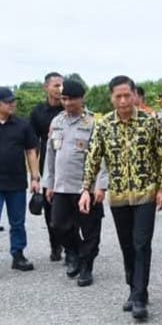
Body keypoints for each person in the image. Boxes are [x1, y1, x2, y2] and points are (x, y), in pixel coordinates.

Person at [80, 75, 162, 321]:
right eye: (118, 96)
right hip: (118, 195)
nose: (123, 100)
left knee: (142, 244)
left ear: (134, 96)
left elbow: (161, 156)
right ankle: (134, 288)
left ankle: (140, 297)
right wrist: (86, 189)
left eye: (127, 95)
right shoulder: (104, 124)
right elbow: (93, 158)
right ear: (111, 97)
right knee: (127, 245)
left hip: (145, 193)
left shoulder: (149, 121)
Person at [42, 80, 106, 286]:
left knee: (90, 230)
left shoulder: (93, 122)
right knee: (58, 225)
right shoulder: (57, 122)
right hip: (61, 186)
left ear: (82, 99)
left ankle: (86, 266)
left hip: (85, 187)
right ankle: (74, 253)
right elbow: (50, 155)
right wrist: (49, 183)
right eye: (64, 99)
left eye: (72, 99)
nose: (67, 103)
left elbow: (103, 158)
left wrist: (99, 185)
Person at [0, 87, 39, 271]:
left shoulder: (22, 125)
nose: (12, 104)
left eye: (12, 101)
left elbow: (31, 151)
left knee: (17, 222)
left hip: (16, 182)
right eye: (7, 101)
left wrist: (34, 177)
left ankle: (18, 255)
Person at [29, 71, 64, 262]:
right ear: (46, 87)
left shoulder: (69, 107)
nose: (60, 89)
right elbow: (31, 145)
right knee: (50, 207)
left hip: (68, 162)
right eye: (56, 85)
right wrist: (34, 175)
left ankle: (71, 245)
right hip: (47, 163)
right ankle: (55, 245)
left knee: (70, 205)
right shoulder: (37, 112)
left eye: (61, 85)